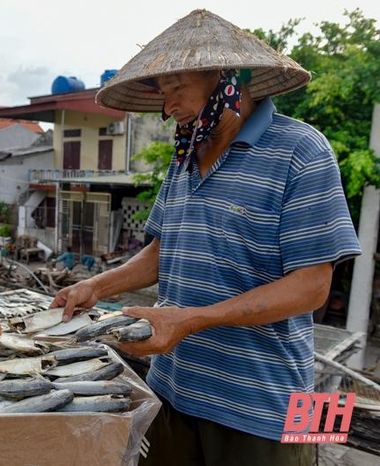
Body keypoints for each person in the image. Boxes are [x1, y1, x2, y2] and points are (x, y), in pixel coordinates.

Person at [53, 10, 361, 466]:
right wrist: (93, 287)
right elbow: (161, 253)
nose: (168, 106)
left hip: (269, 407)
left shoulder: (302, 149)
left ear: (226, 77)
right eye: (162, 92)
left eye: (177, 87)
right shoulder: (183, 158)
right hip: (173, 391)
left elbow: (312, 288)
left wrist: (191, 320)